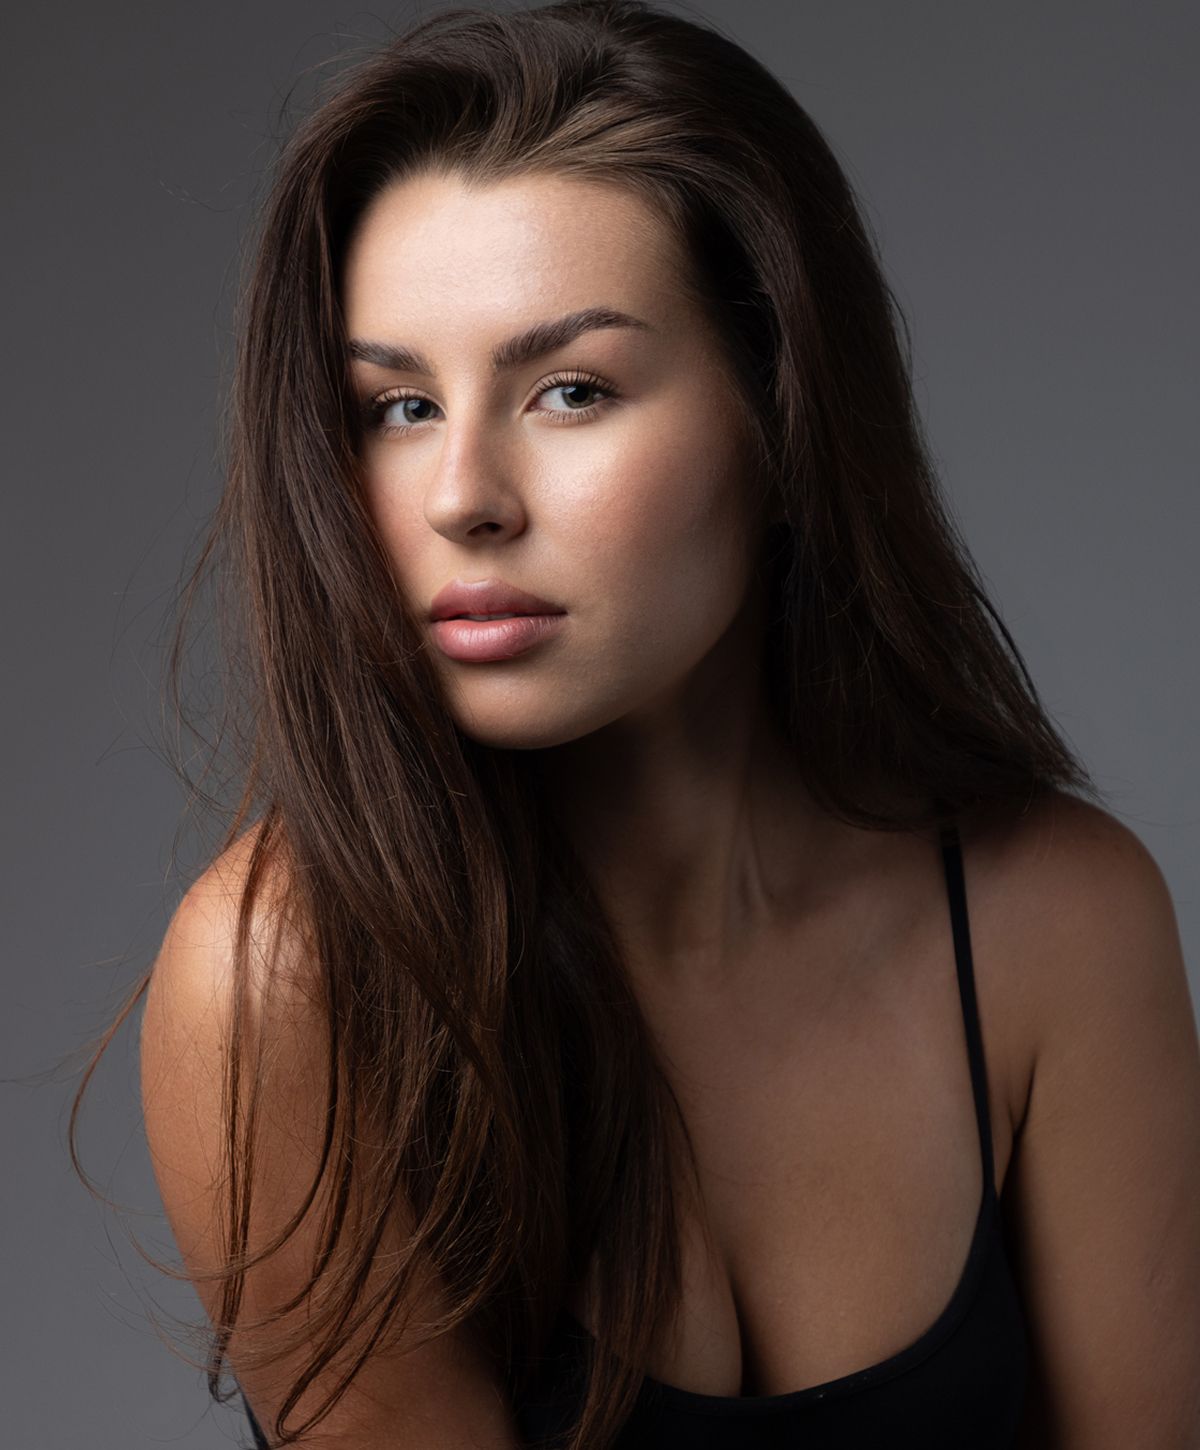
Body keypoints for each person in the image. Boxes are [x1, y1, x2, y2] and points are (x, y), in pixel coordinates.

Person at [119, 2, 1200, 1446]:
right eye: (395, 406)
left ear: (782, 412)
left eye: (570, 389)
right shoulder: (289, 982)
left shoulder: (1055, 924)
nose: (461, 496)